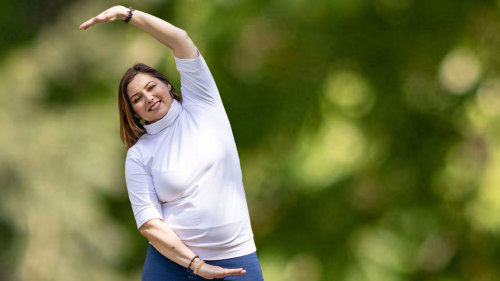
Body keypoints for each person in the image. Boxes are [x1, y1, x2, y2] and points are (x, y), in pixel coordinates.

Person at [79, 5, 264, 281]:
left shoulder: (203, 104)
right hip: (174, 267)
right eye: (137, 99)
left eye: (151, 87)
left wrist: (126, 13)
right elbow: (149, 225)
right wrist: (197, 265)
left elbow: (180, 40)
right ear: (134, 113)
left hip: (236, 258)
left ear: (167, 84)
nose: (148, 98)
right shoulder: (139, 155)